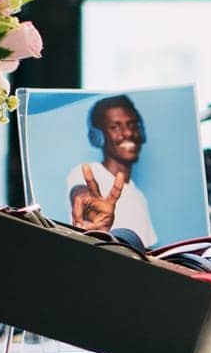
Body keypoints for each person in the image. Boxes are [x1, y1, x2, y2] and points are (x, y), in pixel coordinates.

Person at [67, 94, 157, 246]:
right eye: (115, 127)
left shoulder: (139, 196)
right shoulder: (86, 172)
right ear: (97, 137)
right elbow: (81, 196)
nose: (128, 133)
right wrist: (93, 212)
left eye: (133, 125)